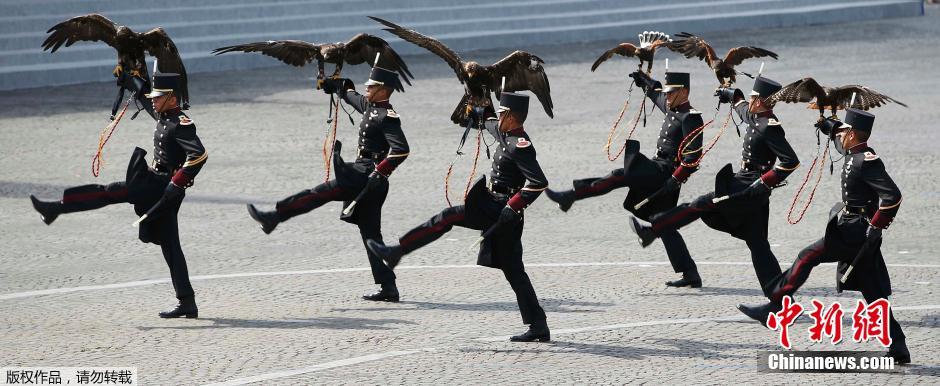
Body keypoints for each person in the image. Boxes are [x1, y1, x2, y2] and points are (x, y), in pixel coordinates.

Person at [367, 92, 551, 342]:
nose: (498, 118)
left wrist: (513, 206)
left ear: (511, 116)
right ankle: (538, 325)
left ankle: (396, 251)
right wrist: (478, 103)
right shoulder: (505, 133)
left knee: (447, 217)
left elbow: (538, 182)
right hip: (494, 206)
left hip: (501, 210)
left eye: (502, 114)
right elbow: (486, 120)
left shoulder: (520, 145)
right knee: (514, 270)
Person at [738, 109, 910, 364]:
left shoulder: (867, 160)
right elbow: (841, 144)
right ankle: (899, 347)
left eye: (843, 132)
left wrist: (876, 226)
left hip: (854, 230)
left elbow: (892, 196)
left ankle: (776, 304)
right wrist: (827, 125)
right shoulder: (854, 153)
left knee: (807, 256)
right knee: (872, 291)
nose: (840, 137)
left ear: (852, 134)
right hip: (854, 229)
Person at [30, 72, 207, 318]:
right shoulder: (164, 113)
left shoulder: (181, 124)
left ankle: (56, 208)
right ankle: (187, 302)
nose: (152, 100)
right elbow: (146, 100)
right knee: (170, 245)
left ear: (172, 98)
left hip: (160, 187)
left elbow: (199, 155)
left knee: (109, 192)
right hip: (154, 182)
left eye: (158, 97)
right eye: (153, 97)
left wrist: (177, 184)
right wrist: (131, 81)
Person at [246, 66, 409, 302]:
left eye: (372, 86)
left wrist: (380, 172)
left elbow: (401, 149)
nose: (367, 87)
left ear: (383, 90)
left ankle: (274, 217)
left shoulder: (387, 116)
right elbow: (349, 93)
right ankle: (389, 288)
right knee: (371, 234)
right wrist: (333, 84)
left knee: (319, 194)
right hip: (367, 178)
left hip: (365, 177)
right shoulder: (370, 107)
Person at [629, 76, 800, 297]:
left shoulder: (769, 126)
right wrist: (732, 95)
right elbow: (743, 111)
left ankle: (653, 230)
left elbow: (791, 161)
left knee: (700, 203)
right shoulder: (757, 116)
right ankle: (780, 300)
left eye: (752, 97)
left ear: (759, 100)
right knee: (758, 244)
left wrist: (764, 182)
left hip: (747, 186)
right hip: (749, 187)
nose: (749, 100)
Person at [546, 70, 705, 287]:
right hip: (659, 169)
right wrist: (644, 81)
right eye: (667, 93)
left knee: (622, 175)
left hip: (666, 173)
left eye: (672, 93)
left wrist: (676, 179)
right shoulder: (672, 105)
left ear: (684, 92)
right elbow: (656, 93)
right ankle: (690, 274)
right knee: (664, 221)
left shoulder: (691, 117)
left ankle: (571, 195)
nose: (667, 97)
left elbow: (693, 158)